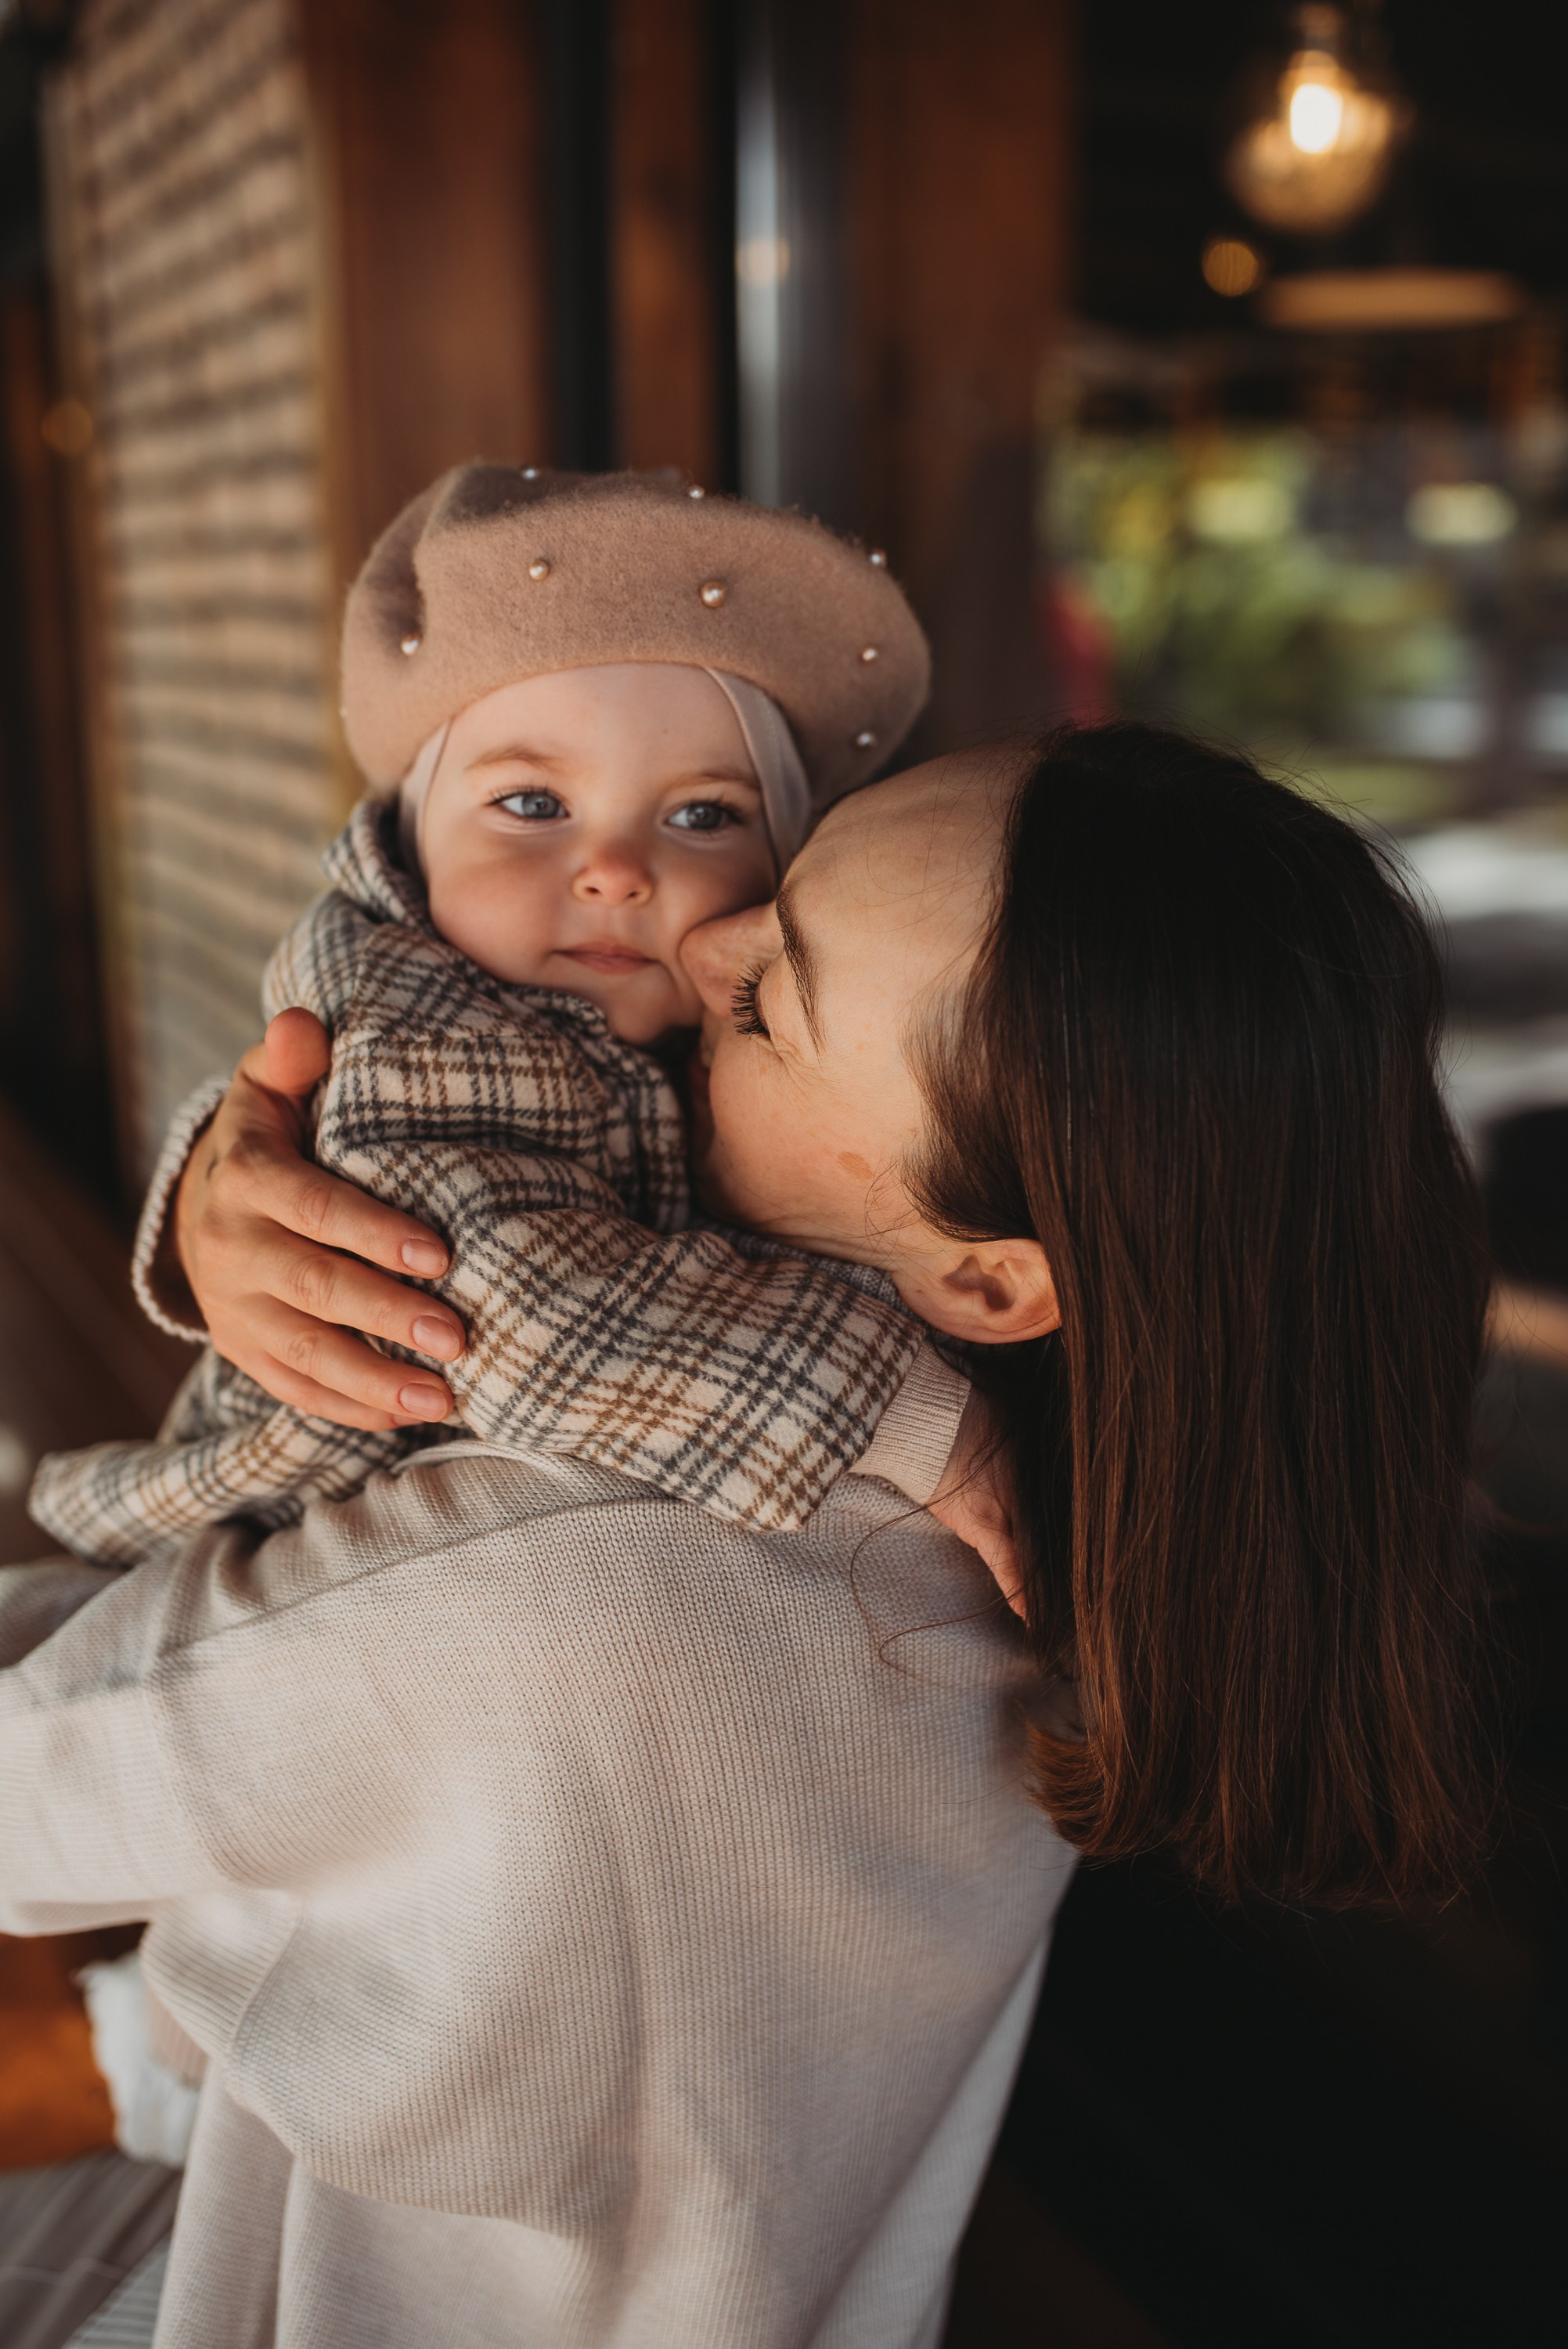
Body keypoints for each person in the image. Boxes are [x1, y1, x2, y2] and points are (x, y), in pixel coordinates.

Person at [0, 724, 1496, 2347]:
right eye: (774, 885)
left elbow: (38, 1778)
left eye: (771, 996)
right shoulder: (1075, 1507)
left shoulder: (581, 1564)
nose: (691, 936)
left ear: (991, 1271)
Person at [31, 464, 981, 1574]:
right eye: (533, 804)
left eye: (703, 813)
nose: (619, 870)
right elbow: (517, 1315)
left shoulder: (715, 1028)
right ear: (411, 842)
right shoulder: (407, 1013)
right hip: (269, 1550)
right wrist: (934, 1426)